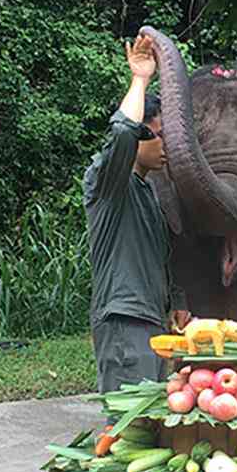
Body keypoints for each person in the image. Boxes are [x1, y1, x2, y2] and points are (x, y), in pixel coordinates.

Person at [82, 34, 190, 403]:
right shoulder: (109, 184)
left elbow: (160, 252)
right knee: (130, 428)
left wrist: (177, 301)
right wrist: (141, 80)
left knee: (150, 432)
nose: (166, 146)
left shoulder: (147, 190)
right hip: (125, 325)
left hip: (152, 322)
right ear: (141, 139)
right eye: (159, 137)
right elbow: (122, 132)